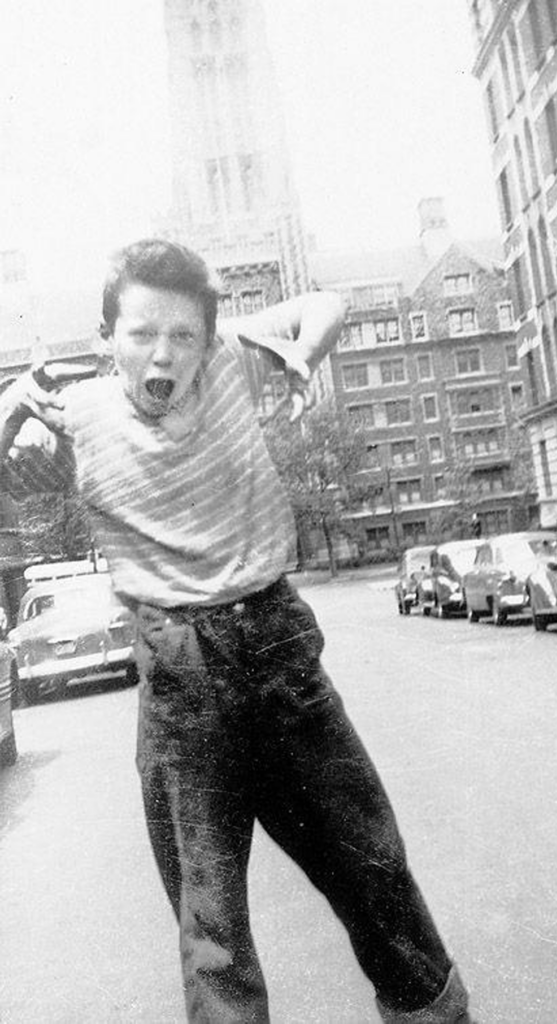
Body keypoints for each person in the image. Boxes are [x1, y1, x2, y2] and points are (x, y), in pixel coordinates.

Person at [0, 239, 473, 1023]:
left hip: (280, 648)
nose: (164, 355)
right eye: (142, 334)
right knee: (212, 930)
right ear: (105, 339)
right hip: (181, 678)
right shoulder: (74, 418)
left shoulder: (231, 365)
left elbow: (328, 304)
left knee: (376, 874)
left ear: (208, 340)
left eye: (184, 336)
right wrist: (15, 402)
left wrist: (300, 350)